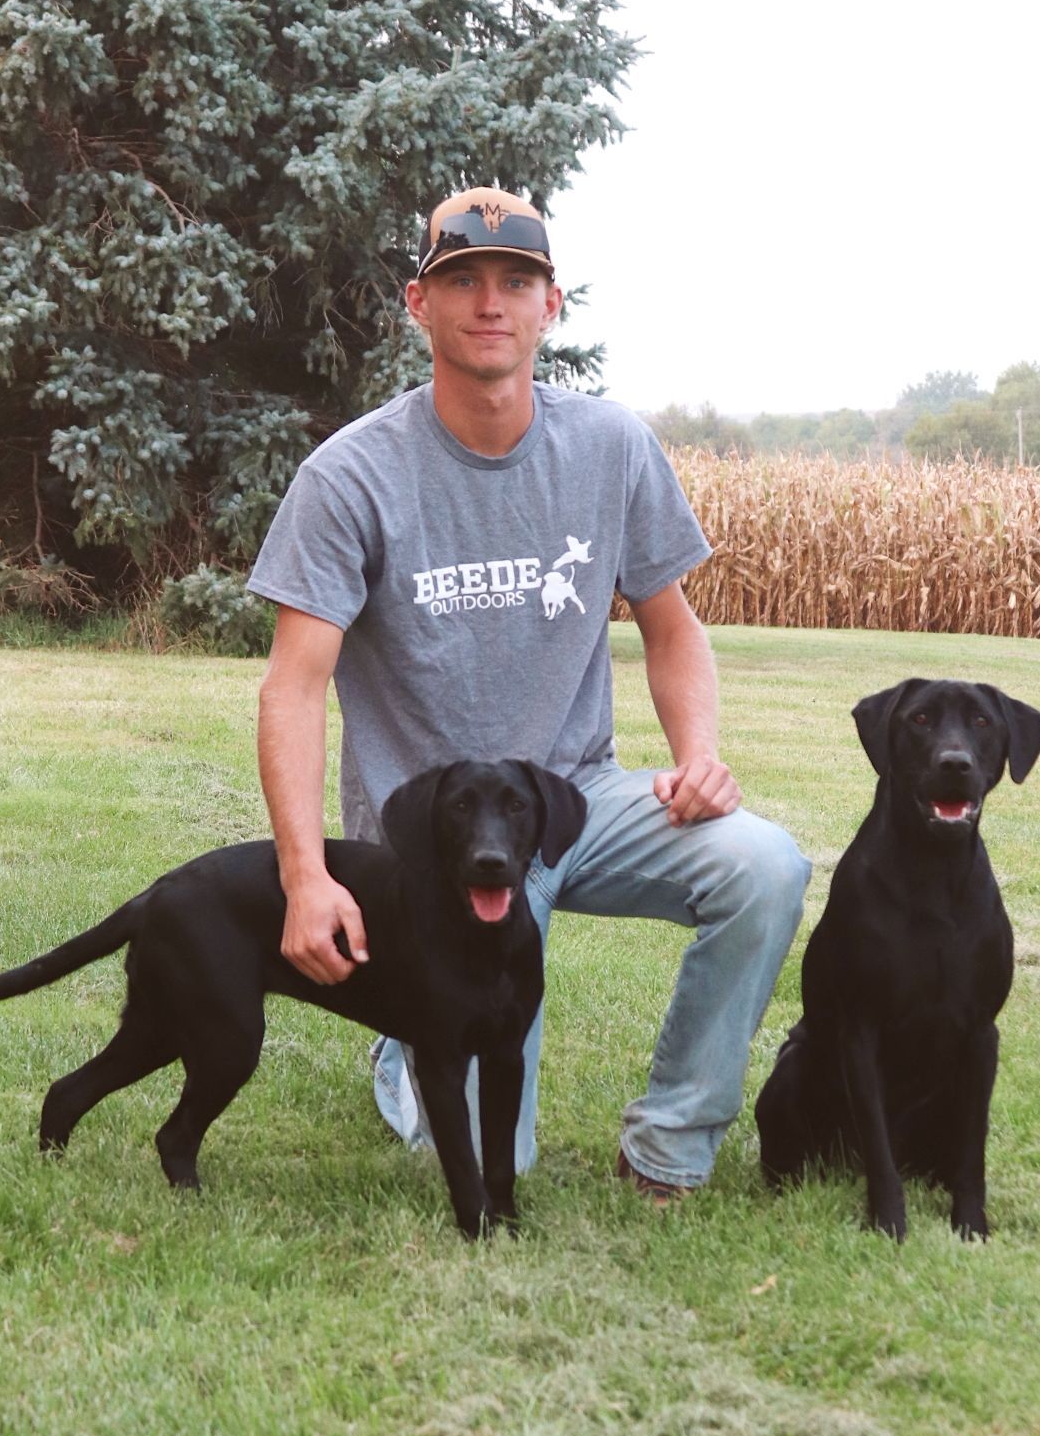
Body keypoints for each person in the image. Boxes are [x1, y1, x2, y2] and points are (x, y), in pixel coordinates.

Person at [247, 185, 810, 1200]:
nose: (489, 302)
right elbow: (293, 685)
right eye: (461, 280)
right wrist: (302, 875)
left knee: (762, 865)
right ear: (419, 304)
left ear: (551, 305)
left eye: (516, 281)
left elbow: (671, 626)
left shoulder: (610, 447)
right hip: (426, 841)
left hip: (571, 798)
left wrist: (696, 754)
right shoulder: (351, 476)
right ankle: (402, 1034)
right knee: (490, 1160)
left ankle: (670, 1144)